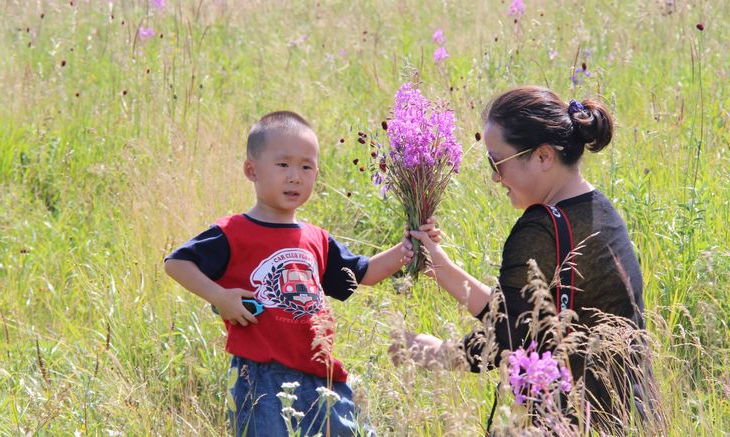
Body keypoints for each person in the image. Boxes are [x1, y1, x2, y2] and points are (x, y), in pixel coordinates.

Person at [395, 86, 661, 433]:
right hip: (634, 416)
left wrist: (440, 353)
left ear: (543, 157)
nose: (495, 177)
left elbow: (511, 334)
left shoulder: (540, 229)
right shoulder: (601, 211)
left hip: (578, 421)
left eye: (497, 162)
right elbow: (525, 318)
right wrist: (441, 268)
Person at [165, 111, 415, 437]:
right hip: (261, 376)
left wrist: (406, 248)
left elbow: (363, 273)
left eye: (306, 166)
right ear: (251, 170)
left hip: (321, 375)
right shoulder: (234, 232)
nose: (295, 176)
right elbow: (177, 262)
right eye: (283, 165)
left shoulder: (317, 239)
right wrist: (219, 296)